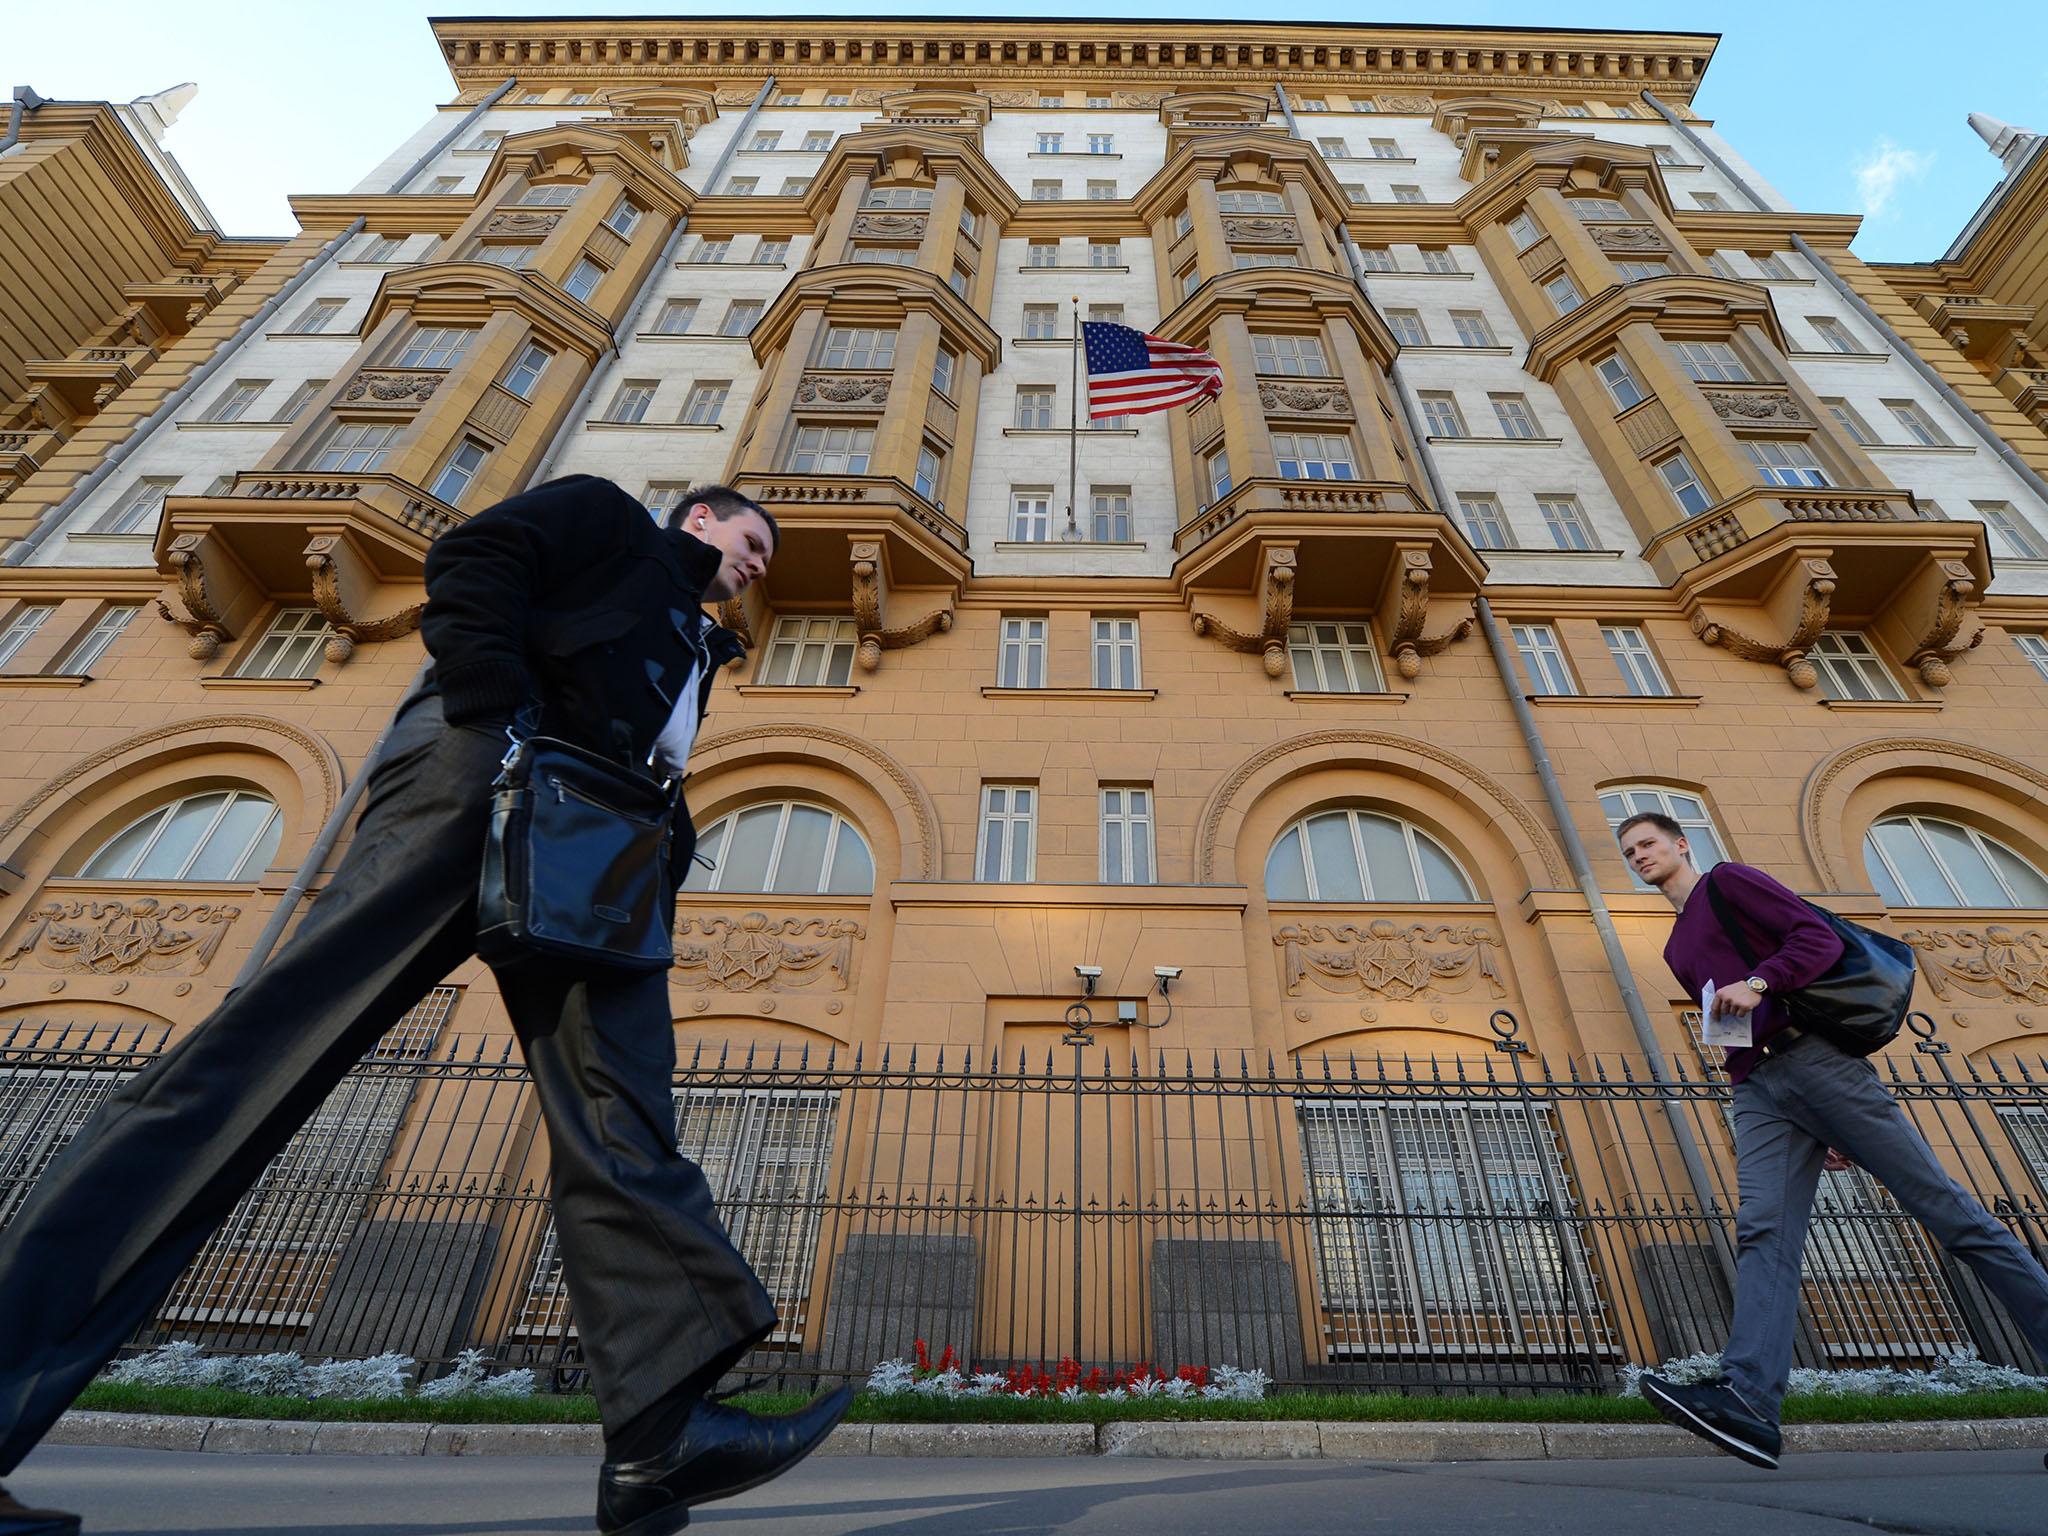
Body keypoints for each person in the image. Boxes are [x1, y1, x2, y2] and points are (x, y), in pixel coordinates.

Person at [0, 476, 850, 1536]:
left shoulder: (694, 635)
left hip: (591, 854)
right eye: (753, 538)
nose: (763, 561)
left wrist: (662, 847)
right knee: (256, 1065)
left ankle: (661, 1435)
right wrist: (495, 718)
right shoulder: (603, 519)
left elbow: (647, 750)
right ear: (698, 519)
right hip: (480, 785)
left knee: (623, 1115)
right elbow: (474, 564)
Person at [1618, 811, 2048, 1469]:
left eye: (1648, 843)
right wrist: (1756, 1079)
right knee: (1764, 1230)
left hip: (1818, 1063)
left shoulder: (1729, 883)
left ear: (1681, 843)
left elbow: (1814, 938)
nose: (1638, 855)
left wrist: (1760, 981)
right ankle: (1748, 1402)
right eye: (1627, 851)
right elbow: (1727, 1023)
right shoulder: (1676, 947)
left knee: (1947, 1214)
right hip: (1758, 1084)